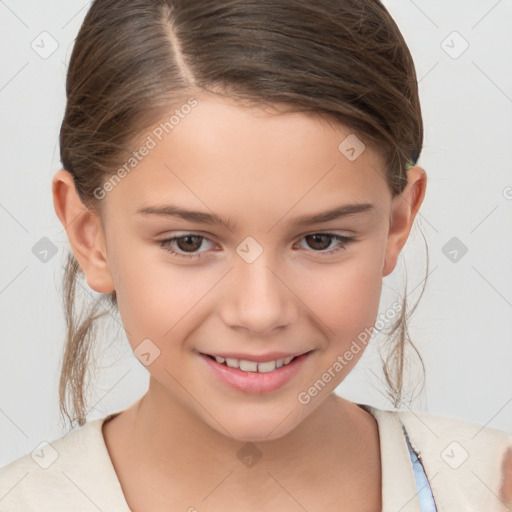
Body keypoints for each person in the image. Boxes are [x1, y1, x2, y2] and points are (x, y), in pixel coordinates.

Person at [1, 0, 511, 511]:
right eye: (189, 242)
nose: (260, 311)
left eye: (320, 240)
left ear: (397, 223)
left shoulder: (490, 488)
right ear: (90, 236)